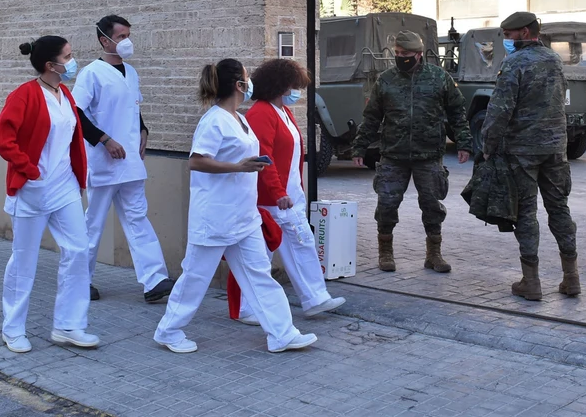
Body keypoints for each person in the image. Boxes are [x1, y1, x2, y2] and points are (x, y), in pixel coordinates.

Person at [154, 59, 317, 353]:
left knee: (259, 274)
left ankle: (283, 333)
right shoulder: (213, 120)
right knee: (195, 277)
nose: (250, 81)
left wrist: (249, 167)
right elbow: (196, 161)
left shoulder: (239, 119)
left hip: (243, 217)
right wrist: (238, 167)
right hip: (215, 217)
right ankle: (169, 330)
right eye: (246, 77)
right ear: (239, 85)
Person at [0, 35, 100, 353]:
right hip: (32, 188)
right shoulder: (24, 95)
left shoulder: (64, 93)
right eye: (69, 56)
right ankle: (12, 329)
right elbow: (2, 139)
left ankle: (69, 325)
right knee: (24, 260)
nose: (74, 60)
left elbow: (71, 140)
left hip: (64, 188)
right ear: (51, 65)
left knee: (79, 251)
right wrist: (30, 169)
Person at [231, 58, 345, 324]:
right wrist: (278, 191)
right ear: (281, 86)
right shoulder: (262, 112)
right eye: (294, 86)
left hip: (287, 194)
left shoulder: (282, 111)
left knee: (294, 244)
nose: (297, 92)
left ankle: (313, 297)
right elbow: (264, 157)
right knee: (269, 251)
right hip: (274, 197)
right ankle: (255, 306)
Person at [71, 15, 174, 304]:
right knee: (93, 224)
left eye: (129, 35)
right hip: (103, 161)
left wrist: (143, 129)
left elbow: (132, 105)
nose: (127, 41)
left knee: (137, 219)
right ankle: (79, 281)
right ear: (105, 40)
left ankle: (155, 280)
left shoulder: (131, 71)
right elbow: (76, 113)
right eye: (121, 36)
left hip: (130, 162)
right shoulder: (91, 73)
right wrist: (104, 139)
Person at [350, 30, 472, 273]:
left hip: (428, 155)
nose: (400, 57)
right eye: (397, 53)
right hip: (393, 155)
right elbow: (372, 117)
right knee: (386, 204)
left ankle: (434, 254)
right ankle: (385, 252)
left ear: (418, 54)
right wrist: (359, 146)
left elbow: (457, 111)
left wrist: (464, 142)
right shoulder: (386, 80)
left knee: (432, 206)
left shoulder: (439, 77)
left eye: (405, 54)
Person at [481, 12, 579, 301]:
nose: (506, 41)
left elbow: (500, 109)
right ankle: (571, 278)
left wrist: (487, 144)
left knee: (526, 213)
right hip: (555, 149)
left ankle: (531, 281)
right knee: (559, 209)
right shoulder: (553, 59)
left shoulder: (513, 63)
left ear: (524, 32)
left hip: (523, 151)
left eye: (509, 35)